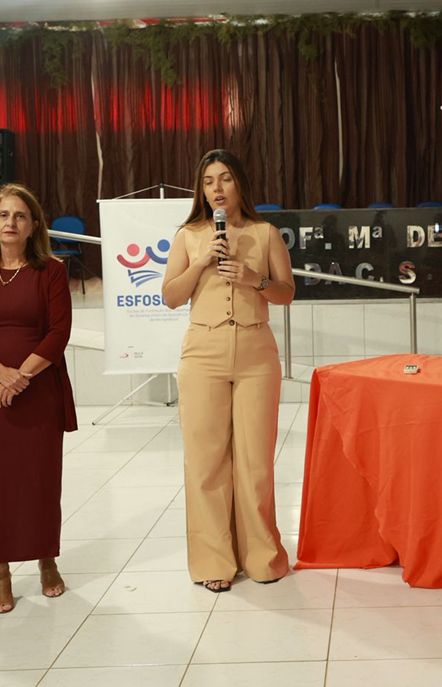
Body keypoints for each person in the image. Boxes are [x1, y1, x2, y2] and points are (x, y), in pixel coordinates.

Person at [162, 149, 295, 592]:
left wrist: (256, 279)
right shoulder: (188, 236)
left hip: (256, 354)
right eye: (208, 181)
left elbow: (286, 293)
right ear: (200, 191)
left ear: (239, 183)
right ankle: (213, 561)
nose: (216, 189)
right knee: (206, 461)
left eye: (225, 179)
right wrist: (202, 262)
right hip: (203, 354)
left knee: (255, 462)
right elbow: (171, 296)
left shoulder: (265, 233)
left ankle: (262, 557)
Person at [0, 183, 78, 613]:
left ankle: (46, 560)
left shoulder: (51, 271)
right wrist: (2, 374)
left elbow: (58, 333)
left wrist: (21, 376)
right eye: (3, 215)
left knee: (40, 482)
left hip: (39, 390)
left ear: (33, 226)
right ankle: (1, 574)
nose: (11, 222)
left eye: (20, 216)